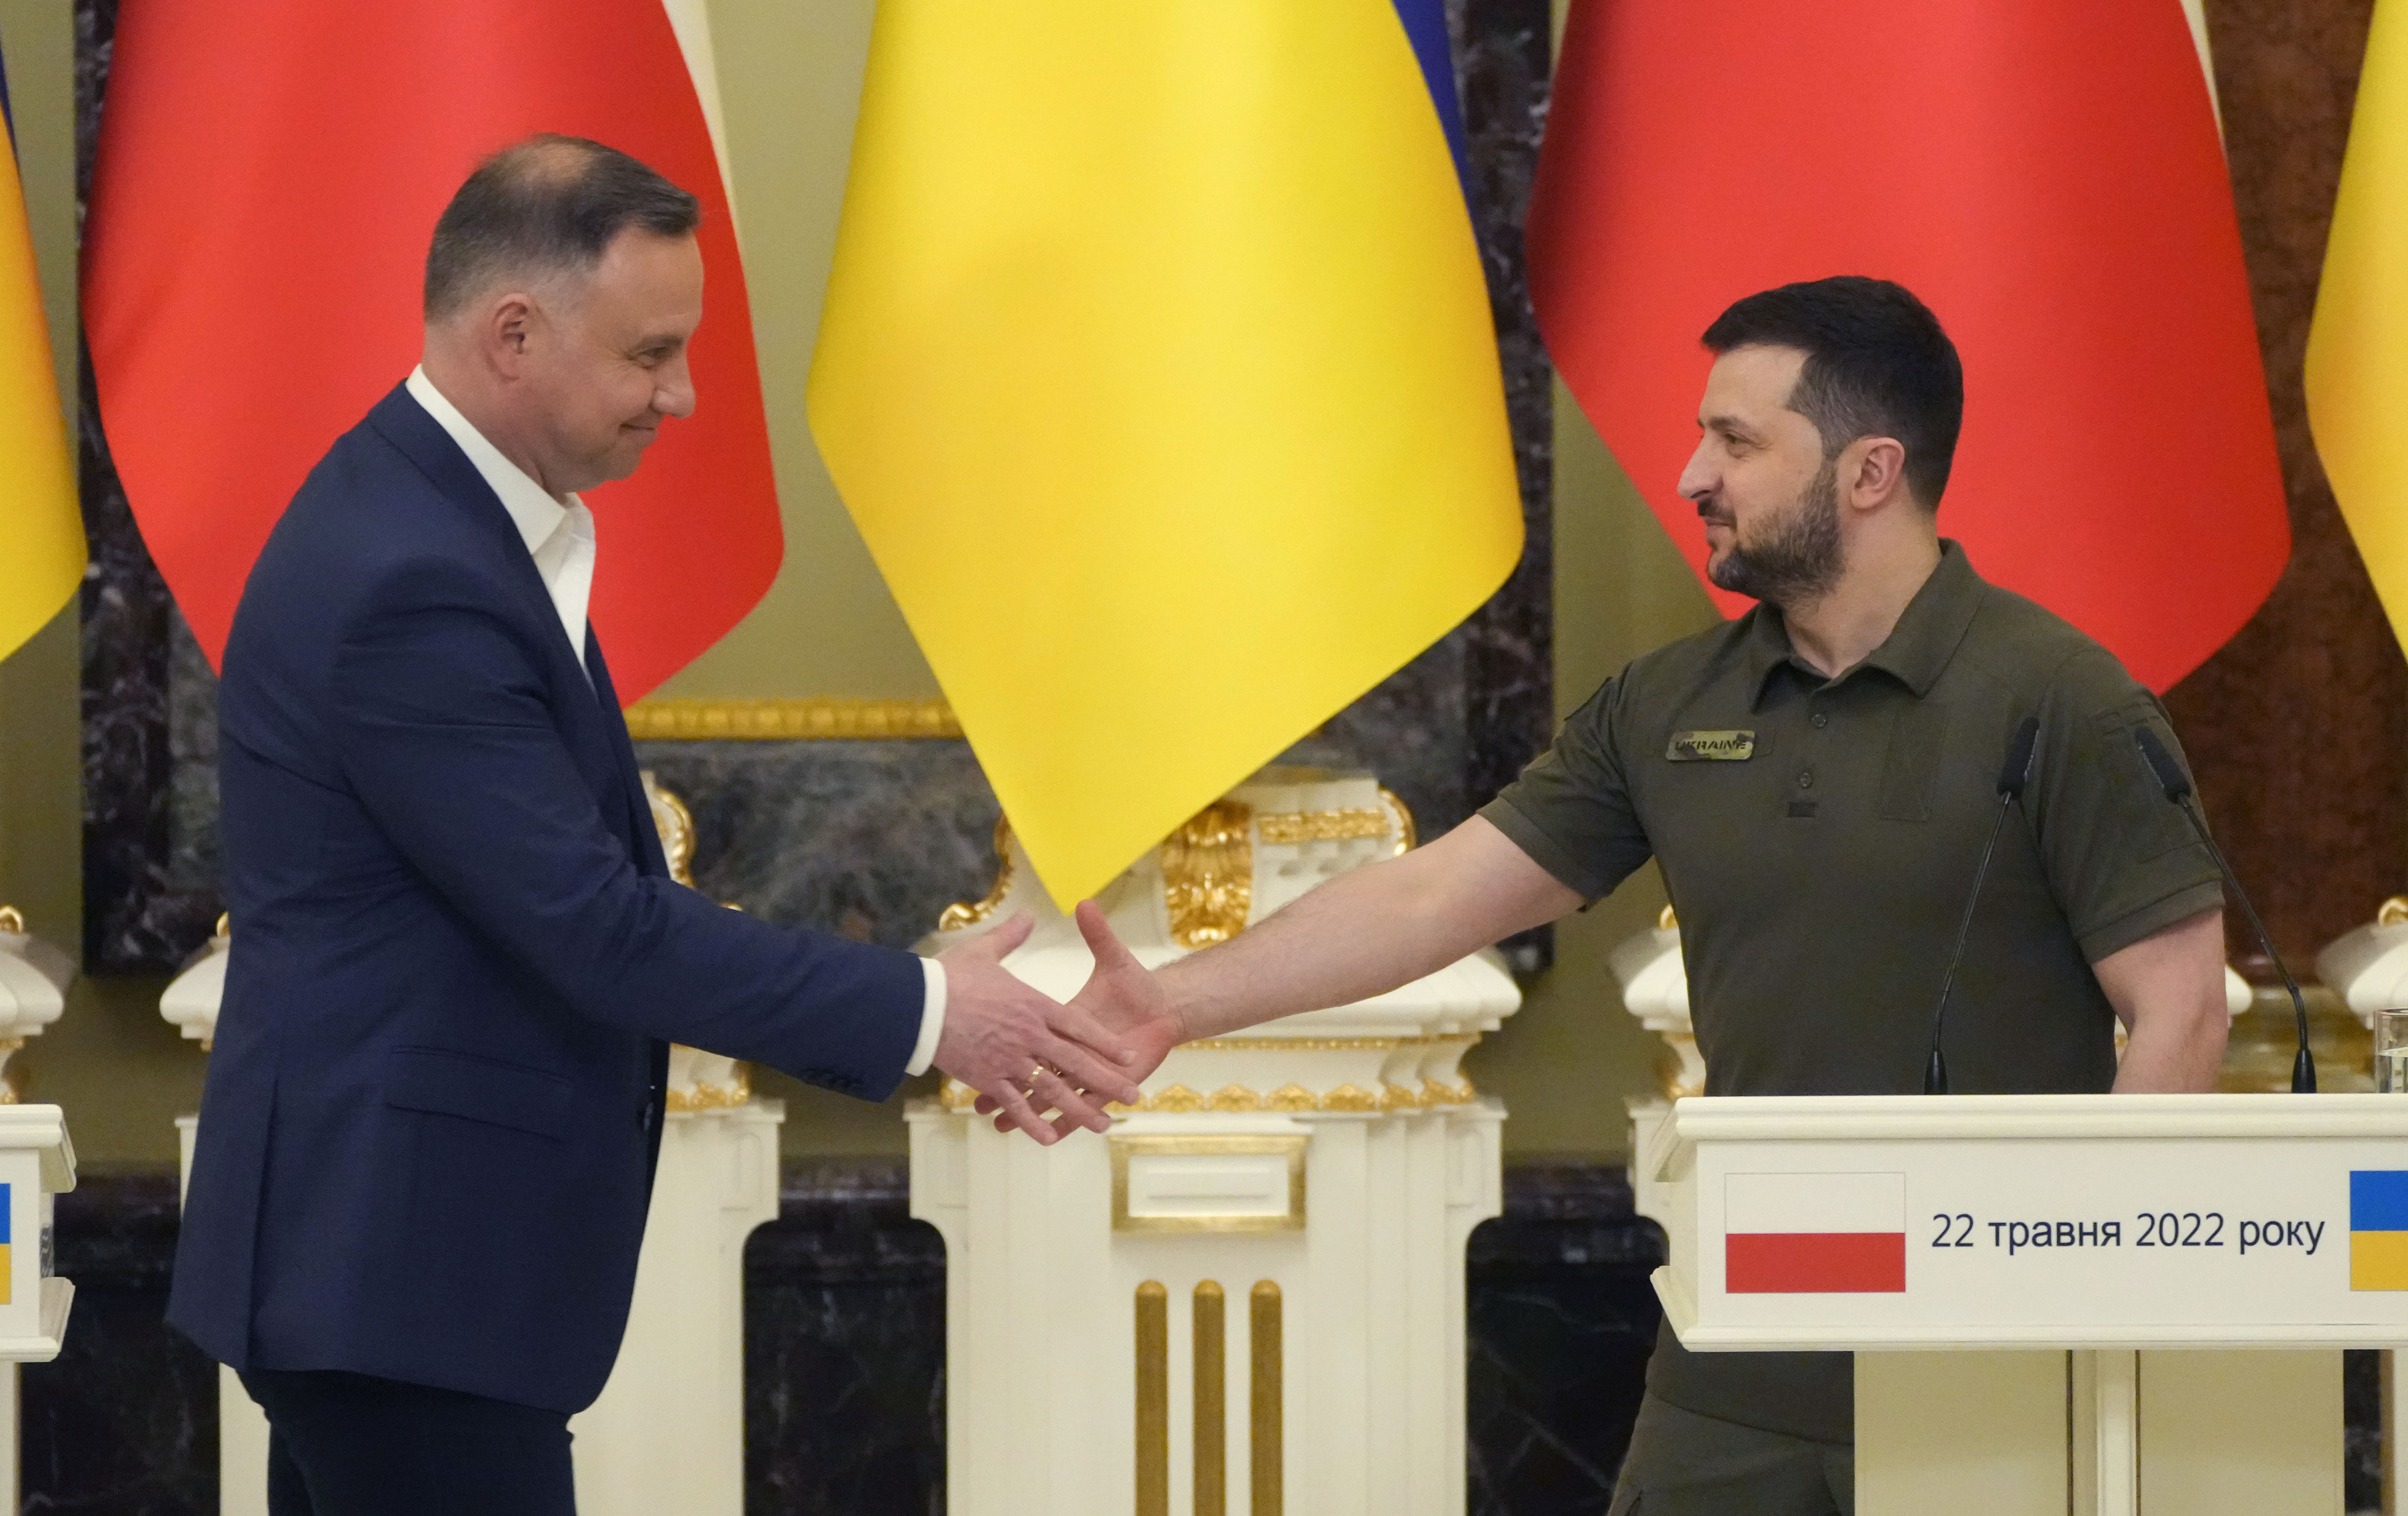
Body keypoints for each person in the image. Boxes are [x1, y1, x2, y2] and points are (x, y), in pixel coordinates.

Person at [1054, 276, 2231, 1515]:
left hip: (1991, 1367)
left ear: (1869, 472)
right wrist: (1172, 1003)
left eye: (1736, 441)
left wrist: (2076, 1297)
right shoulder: (1667, 705)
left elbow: (2182, 1015)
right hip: (1738, 1351)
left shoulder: (2065, 698)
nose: (1690, 475)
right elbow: (1433, 897)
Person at [169, 135, 1137, 1516]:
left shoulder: (443, 520)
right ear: (514, 333)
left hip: (395, 1273)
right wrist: (932, 1013)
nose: (680, 396)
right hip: (398, 1275)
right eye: (648, 354)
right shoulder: (411, 575)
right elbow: (597, 927)